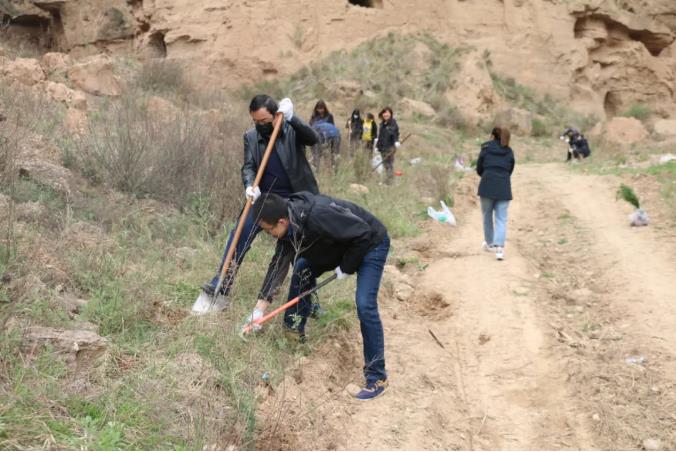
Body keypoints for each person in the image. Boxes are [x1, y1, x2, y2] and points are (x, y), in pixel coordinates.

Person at [245, 192, 390, 400]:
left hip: (370, 243)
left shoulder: (318, 215)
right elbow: (278, 263)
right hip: (341, 245)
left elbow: (363, 233)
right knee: (302, 269)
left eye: (269, 230)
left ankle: (377, 377)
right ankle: (293, 334)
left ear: (281, 221)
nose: (270, 235)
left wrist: (347, 266)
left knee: (364, 304)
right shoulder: (288, 227)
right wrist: (259, 309)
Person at [200, 95, 320, 302]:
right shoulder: (251, 137)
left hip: (297, 198)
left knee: (298, 249)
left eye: (264, 121)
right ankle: (222, 282)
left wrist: (293, 118)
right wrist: (249, 184)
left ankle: (309, 299)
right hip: (266, 198)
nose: (260, 126)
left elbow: (313, 139)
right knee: (240, 232)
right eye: (255, 121)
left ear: (276, 115)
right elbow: (249, 166)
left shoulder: (290, 129)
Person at [476, 126, 515, 261]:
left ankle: (489, 243)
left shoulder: (485, 149)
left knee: (487, 215)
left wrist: (487, 175)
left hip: (486, 186)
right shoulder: (509, 151)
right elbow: (510, 169)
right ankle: (500, 249)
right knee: (501, 219)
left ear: (492, 136)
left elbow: (479, 168)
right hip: (503, 188)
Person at [375, 107, 400, 184]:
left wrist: (396, 141)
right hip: (382, 147)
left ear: (391, 114)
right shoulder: (382, 124)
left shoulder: (393, 123)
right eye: (384, 113)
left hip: (390, 147)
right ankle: (387, 180)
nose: (386, 114)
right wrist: (377, 146)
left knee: (389, 164)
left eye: (388, 113)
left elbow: (395, 133)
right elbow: (380, 136)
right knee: (385, 164)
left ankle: (389, 182)